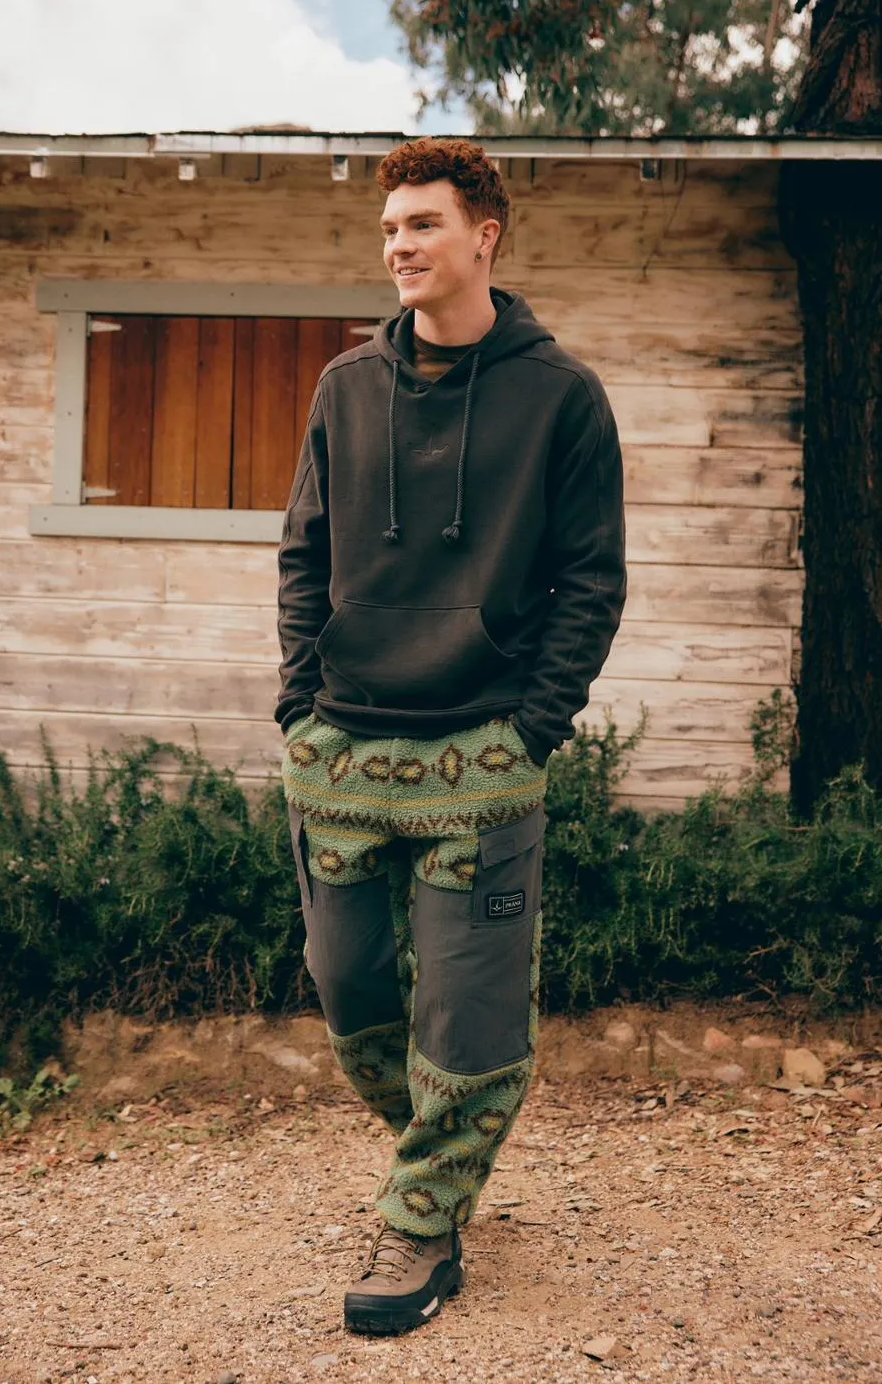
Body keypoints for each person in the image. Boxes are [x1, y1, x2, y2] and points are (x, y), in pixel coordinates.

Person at [275, 136, 626, 1336]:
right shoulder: (343, 387)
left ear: (483, 236)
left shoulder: (559, 396)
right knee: (349, 994)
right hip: (341, 749)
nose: (398, 246)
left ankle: (420, 1223)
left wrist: (532, 730)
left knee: (467, 1014)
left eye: (420, 223)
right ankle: (439, 1160)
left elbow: (589, 579)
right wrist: (295, 705)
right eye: (387, 229)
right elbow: (302, 554)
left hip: (481, 752)